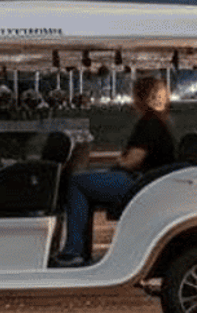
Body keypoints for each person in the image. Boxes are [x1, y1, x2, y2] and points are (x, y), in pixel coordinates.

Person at [55, 73, 175, 265]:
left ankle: (74, 249)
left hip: (138, 182)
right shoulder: (161, 121)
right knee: (88, 182)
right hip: (147, 181)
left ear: (141, 97)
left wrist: (119, 160)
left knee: (77, 182)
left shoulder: (148, 123)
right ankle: (79, 250)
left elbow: (131, 161)